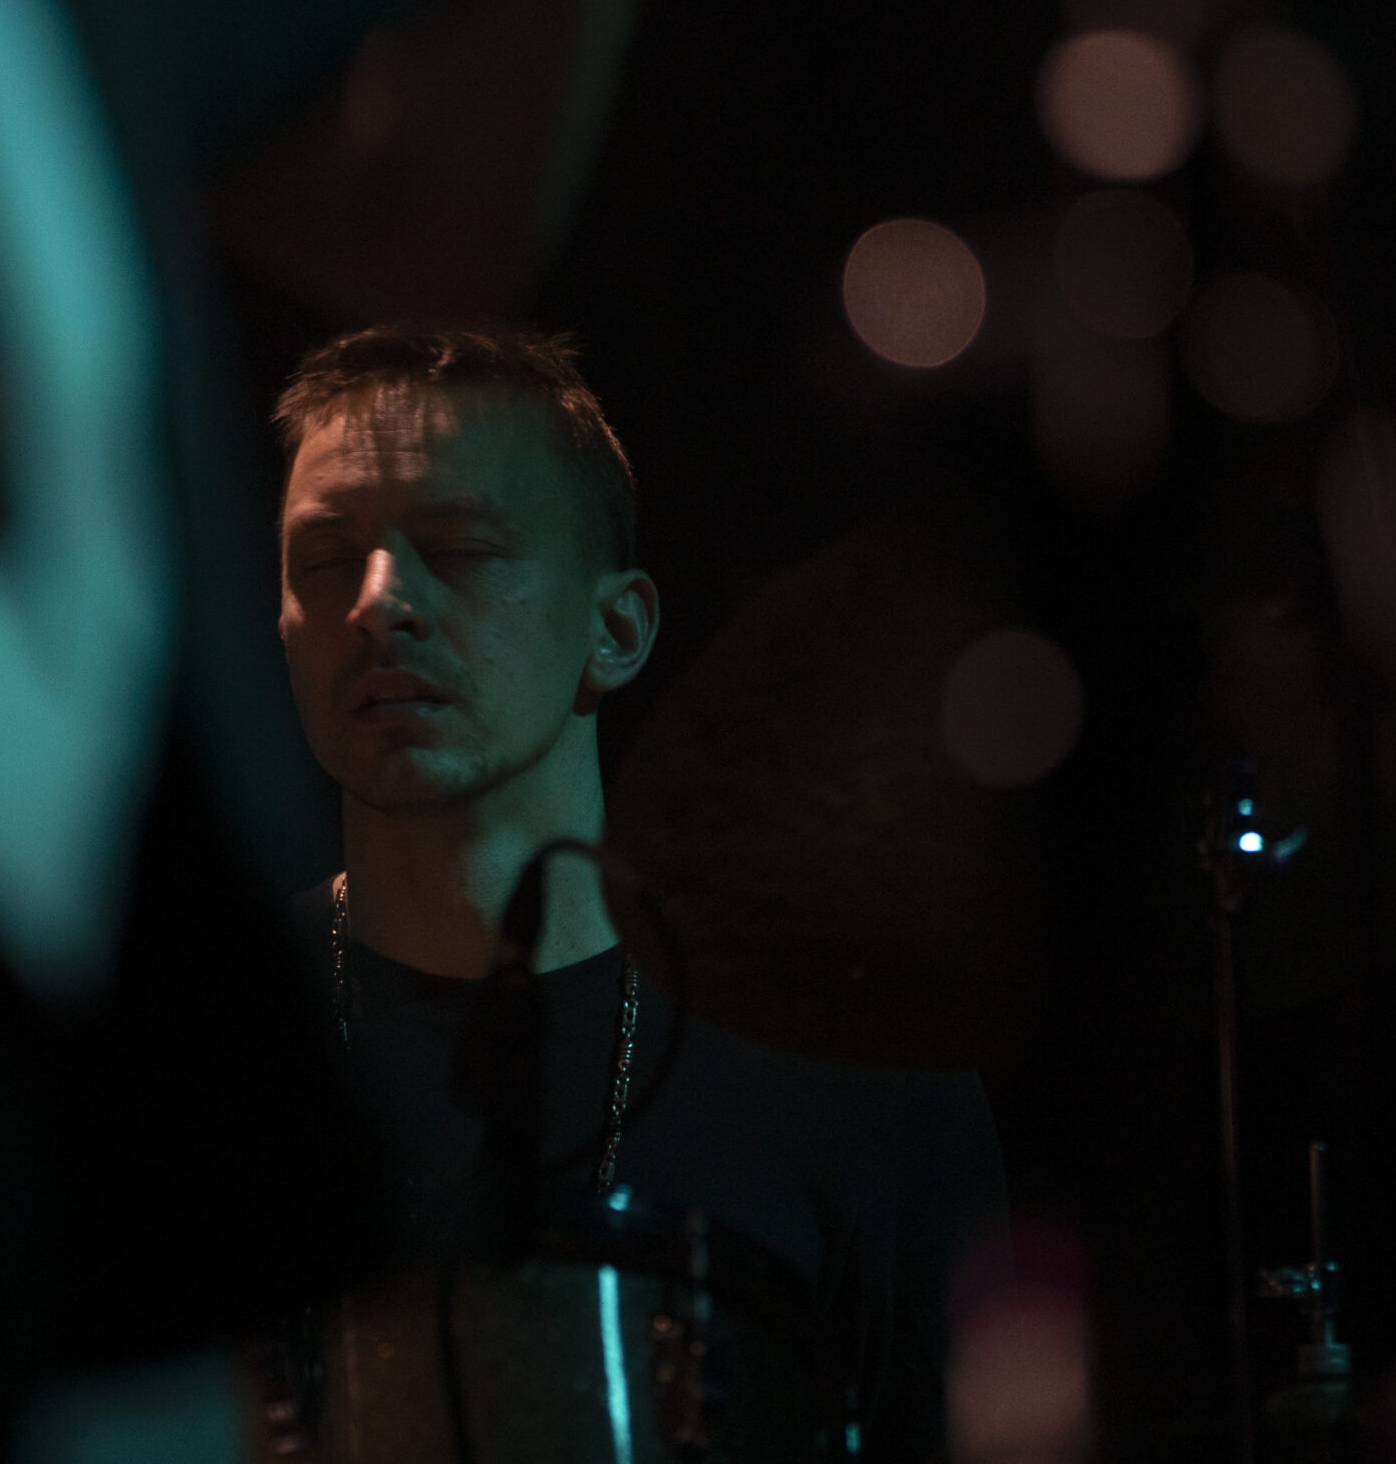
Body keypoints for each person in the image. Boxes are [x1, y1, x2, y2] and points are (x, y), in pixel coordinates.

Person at [274, 326, 1006, 1461]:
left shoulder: (848, 1061)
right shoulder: (182, 1044)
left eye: (458, 549)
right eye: (327, 557)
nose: (378, 602)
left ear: (614, 630)